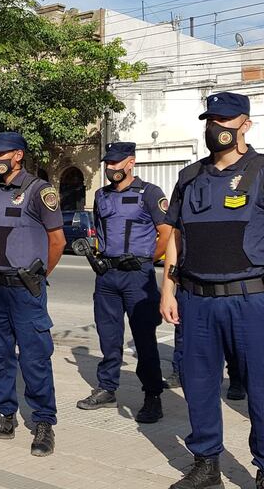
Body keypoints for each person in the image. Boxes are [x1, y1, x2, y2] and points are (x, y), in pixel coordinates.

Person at [160, 91, 264, 489]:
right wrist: (168, 290)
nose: (217, 128)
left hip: (253, 300)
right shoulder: (188, 176)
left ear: (246, 123)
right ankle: (206, 463)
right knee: (198, 383)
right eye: (212, 120)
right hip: (195, 300)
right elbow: (175, 235)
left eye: (226, 121)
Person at [0, 132, 64, 456]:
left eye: (1, 154)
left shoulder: (39, 191)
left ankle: (44, 423)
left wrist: (38, 277)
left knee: (35, 359)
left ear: (18, 155)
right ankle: (3, 417)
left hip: (26, 291)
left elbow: (58, 241)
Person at [76, 141, 169, 423]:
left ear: (131, 162)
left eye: (117, 163)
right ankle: (107, 388)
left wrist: (146, 260)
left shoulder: (150, 193)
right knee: (108, 336)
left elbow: (166, 234)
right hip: (107, 276)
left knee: (144, 339)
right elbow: (100, 233)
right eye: (108, 163)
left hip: (137, 277)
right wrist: (97, 255)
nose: (111, 168)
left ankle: (153, 395)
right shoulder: (102, 196)